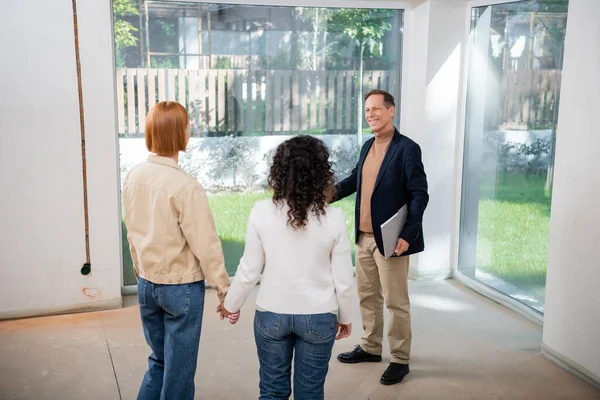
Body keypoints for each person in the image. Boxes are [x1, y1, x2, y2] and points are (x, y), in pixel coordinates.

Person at [219, 135, 355, 400]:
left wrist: (230, 305)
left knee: (272, 391)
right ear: (321, 173)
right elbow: (344, 281)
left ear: (279, 171)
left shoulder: (261, 211)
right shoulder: (335, 218)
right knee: (310, 393)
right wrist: (345, 317)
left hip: (272, 315)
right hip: (319, 316)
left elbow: (249, 270)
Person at [122, 101, 234, 400]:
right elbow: (206, 245)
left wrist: (140, 271)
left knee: (158, 361)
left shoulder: (133, 176)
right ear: (177, 134)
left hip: (146, 285)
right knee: (179, 374)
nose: (190, 130)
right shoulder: (185, 186)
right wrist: (225, 291)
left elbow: (132, 232)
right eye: (186, 126)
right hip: (180, 290)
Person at [332, 89, 429, 385]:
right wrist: (323, 195)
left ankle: (400, 358)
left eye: (376, 109)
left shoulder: (407, 149)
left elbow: (419, 194)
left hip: (391, 239)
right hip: (364, 237)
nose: (371, 114)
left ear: (391, 111)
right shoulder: (367, 147)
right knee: (367, 295)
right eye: (367, 110)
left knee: (395, 301)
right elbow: (353, 180)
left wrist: (408, 235)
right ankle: (372, 347)